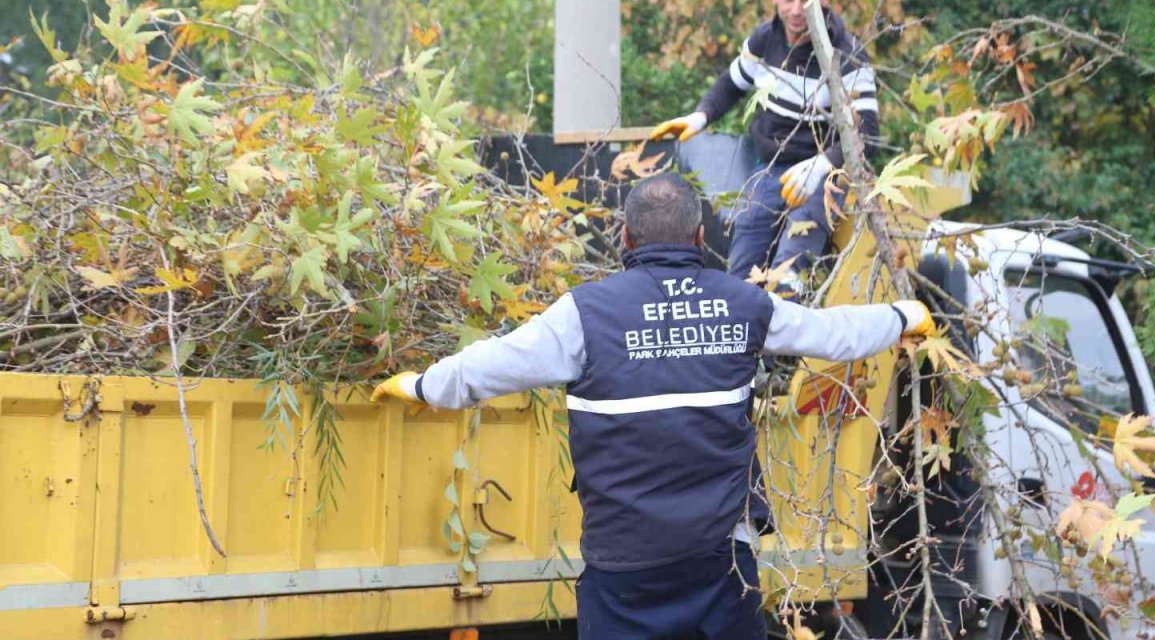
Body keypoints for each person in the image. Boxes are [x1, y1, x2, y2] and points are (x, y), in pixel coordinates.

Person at [371, 173, 931, 639]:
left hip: (625, 574)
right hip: (719, 567)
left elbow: (490, 366)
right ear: (699, 235)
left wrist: (422, 386)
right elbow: (835, 334)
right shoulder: (742, 304)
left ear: (625, 237)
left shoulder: (586, 315)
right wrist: (905, 316)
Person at [649, 0, 880, 293]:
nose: (796, 10)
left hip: (822, 175)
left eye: (805, 1)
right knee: (742, 266)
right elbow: (731, 83)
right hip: (770, 170)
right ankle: (743, 332)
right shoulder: (765, 39)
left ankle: (785, 329)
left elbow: (867, 134)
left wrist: (822, 164)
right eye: (788, 0)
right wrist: (700, 116)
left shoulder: (848, 55)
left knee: (790, 269)